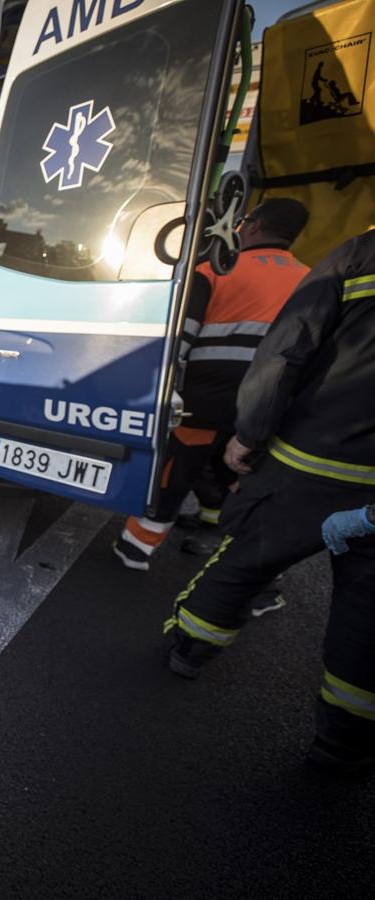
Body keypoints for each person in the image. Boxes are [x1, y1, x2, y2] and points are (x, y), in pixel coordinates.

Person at [162, 229, 375, 774]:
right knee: (366, 616)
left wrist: (250, 433)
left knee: (244, 561)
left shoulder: (357, 254)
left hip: (308, 462)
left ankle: (190, 649)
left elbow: (288, 347)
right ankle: (342, 745)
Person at [114, 198, 310, 571]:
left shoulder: (217, 270)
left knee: (172, 476)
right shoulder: (312, 278)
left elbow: (180, 342)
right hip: (263, 410)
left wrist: (157, 390)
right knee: (231, 473)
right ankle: (220, 535)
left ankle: (135, 550)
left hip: (202, 405)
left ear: (252, 226)